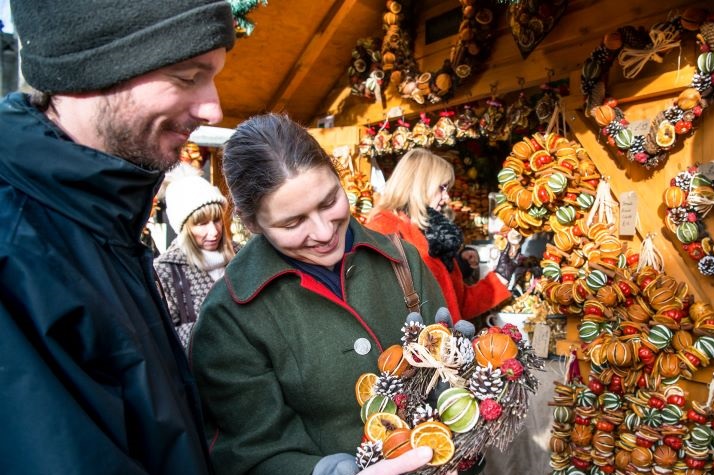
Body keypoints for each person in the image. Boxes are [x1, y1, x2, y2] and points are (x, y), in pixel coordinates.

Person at [0, 1, 236, 474]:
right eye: (186, 75)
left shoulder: (103, 218)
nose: (214, 107)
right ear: (87, 70)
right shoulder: (19, 252)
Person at [190, 113, 448, 475]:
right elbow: (249, 453)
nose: (324, 232)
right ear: (252, 224)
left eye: (329, 202)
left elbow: (452, 373)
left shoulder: (402, 260)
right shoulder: (229, 317)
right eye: (292, 223)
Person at [366, 148, 512, 323]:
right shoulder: (383, 229)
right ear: (420, 185)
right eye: (442, 188)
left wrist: (500, 277)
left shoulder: (436, 235)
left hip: (444, 345)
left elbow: (459, 306)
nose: (447, 196)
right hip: (413, 347)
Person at [154, 165, 237, 347]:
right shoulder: (165, 270)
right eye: (201, 224)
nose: (213, 231)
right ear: (184, 228)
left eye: (217, 220)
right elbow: (163, 337)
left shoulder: (241, 256)